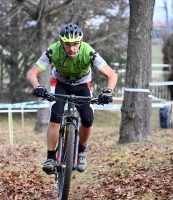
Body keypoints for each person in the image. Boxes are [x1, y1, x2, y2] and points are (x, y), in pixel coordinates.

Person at [27, 23, 118, 174]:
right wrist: (37, 87)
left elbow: (112, 74)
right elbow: (32, 73)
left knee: (88, 119)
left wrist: (108, 92)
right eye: (68, 44)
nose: (72, 48)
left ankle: (81, 151)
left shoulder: (88, 52)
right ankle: (50, 157)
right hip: (60, 84)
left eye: (75, 44)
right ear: (61, 42)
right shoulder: (53, 50)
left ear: (81, 42)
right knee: (55, 114)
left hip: (82, 85)